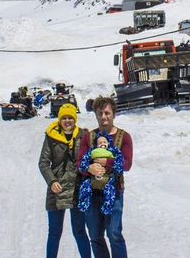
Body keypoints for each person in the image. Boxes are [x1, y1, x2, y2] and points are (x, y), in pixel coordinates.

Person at [77, 96, 133, 258]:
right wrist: (89, 168)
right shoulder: (89, 137)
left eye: (107, 113)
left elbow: (127, 163)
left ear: (113, 114)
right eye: (100, 113)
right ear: (95, 115)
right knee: (95, 236)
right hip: (91, 193)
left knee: (114, 233)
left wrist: (106, 163)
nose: (103, 117)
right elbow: (80, 162)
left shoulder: (124, 137)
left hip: (114, 192)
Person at [39, 103, 91, 258]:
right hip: (57, 189)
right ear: (60, 120)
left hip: (77, 188)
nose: (68, 121)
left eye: (71, 118)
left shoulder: (83, 135)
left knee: (80, 231)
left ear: (75, 119)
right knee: (54, 232)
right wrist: (51, 180)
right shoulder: (51, 136)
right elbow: (43, 162)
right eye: (64, 118)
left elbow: (90, 158)